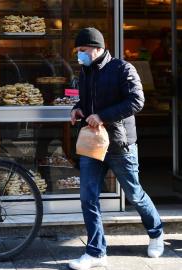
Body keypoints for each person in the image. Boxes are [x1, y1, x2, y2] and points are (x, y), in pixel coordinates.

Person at [69, 27, 164, 270]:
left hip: (120, 145)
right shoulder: (85, 71)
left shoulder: (123, 68)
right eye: (78, 50)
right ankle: (96, 252)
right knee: (88, 197)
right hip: (93, 144)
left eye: (83, 50)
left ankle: (156, 232)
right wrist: (78, 109)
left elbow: (136, 101)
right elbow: (86, 100)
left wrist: (102, 116)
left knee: (134, 195)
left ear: (97, 48)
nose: (79, 55)